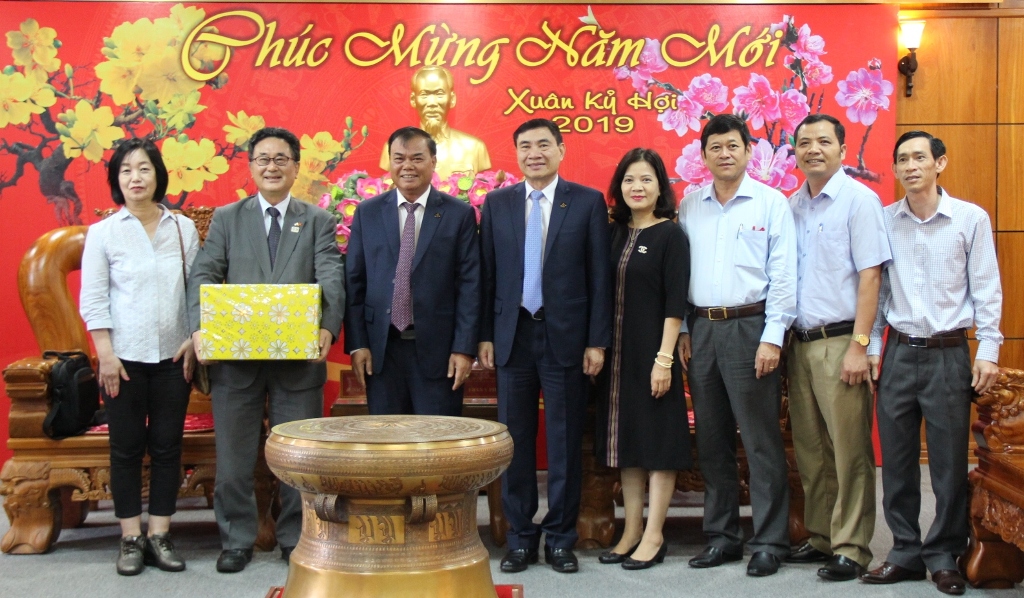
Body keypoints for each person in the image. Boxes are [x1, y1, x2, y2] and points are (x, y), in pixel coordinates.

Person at [187, 127, 345, 573]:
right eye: (263, 159)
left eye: (281, 159)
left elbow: (331, 275)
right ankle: (237, 539)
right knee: (234, 457)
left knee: (298, 457)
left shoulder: (317, 220)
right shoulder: (227, 218)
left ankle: (296, 539)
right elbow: (203, 275)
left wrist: (327, 326)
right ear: (251, 166)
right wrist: (200, 329)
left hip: (299, 359)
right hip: (236, 360)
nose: (271, 167)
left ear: (296, 167)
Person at [861, 131, 1002, 596]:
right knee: (897, 462)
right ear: (895, 169)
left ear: (940, 163)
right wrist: (873, 348)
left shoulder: (970, 219)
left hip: (948, 354)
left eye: (919, 157)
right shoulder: (884, 221)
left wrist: (988, 350)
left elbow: (987, 288)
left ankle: (943, 555)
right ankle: (904, 552)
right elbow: (877, 292)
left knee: (947, 464)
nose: (910, 166)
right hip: (898, 353)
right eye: (902, 159)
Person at [478, 118, 612, 574]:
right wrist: (485, 335)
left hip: (567, 338)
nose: (533, 153)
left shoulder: (587, 202)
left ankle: (560, 538)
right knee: (514, 441)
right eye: (524, 146)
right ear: (516, 153)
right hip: (512, 336)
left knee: (564, 441)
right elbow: (487, 274)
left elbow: (599, 277)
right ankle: (519, 537)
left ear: (561, 149)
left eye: (543, 145)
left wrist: (596, 341)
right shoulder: (497, 203)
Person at [677, 113, 796, 577]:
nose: (724, 154)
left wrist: (773, 338)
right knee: (712, 439)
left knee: (761, 440)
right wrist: (683, 330)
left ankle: (769, 540)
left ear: (749, 151)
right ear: (703, 156)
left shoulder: (771, 203)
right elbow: (679, 275)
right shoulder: (690, 206)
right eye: (715, 147)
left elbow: (784, 275)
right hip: (701, 330)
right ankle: (722, 537)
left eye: (733, 146)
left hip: (751, 329)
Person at [80, 137, 199, 576]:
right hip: (123, 360)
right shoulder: (103, 233)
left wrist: (194, 338)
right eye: (126, 170)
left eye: (144, 168)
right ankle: (130, 537)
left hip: (174, 357)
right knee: (126, 448)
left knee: (168, 447)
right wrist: (105, 355)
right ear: (117, 179)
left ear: (158, 175)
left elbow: (198, 289)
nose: (136, 177)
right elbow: (94, 299)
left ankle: (160, 535)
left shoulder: (182, 228)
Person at [785, 114, 891, 581]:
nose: (813, 149)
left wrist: (860, 345)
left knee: (849, 451)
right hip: (800, 343)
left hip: (843, 340)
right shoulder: (792, 205)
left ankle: (852, 547)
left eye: (824, 141)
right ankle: (823, 536)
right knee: (811, 449)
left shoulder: (859, 201)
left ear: (842, 150)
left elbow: (871, 277)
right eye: (804, 142)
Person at [595, 148, 691, 570]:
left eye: (646, 179)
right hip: (616, 357)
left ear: (660, 187)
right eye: (629, 179)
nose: (637, 187)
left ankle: (654, 534)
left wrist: (664, 360)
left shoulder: (671, 235)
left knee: (658, 442)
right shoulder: (611, 233)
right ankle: (631, 529)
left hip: (653, 354)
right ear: (619, 187)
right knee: (628, 443)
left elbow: (675, 304)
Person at [345, 126, 480, 415]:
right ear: (390, 162)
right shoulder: (367, 213)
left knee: (438, 437)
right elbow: (355, 282)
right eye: (399, 158)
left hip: (439, 351)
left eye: (417, 158)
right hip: (381, 351)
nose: (407, 166)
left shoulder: (459, 214)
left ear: (433, 161)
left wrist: (464, 348)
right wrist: (358, 344)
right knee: (387, 436)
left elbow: (470, 285)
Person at [379, 66, 492, 178]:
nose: (432, 103)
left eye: (439, 94)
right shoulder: (394, 148)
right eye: (424, 95)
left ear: (452, 99)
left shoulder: (475, 148)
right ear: (413, 100)